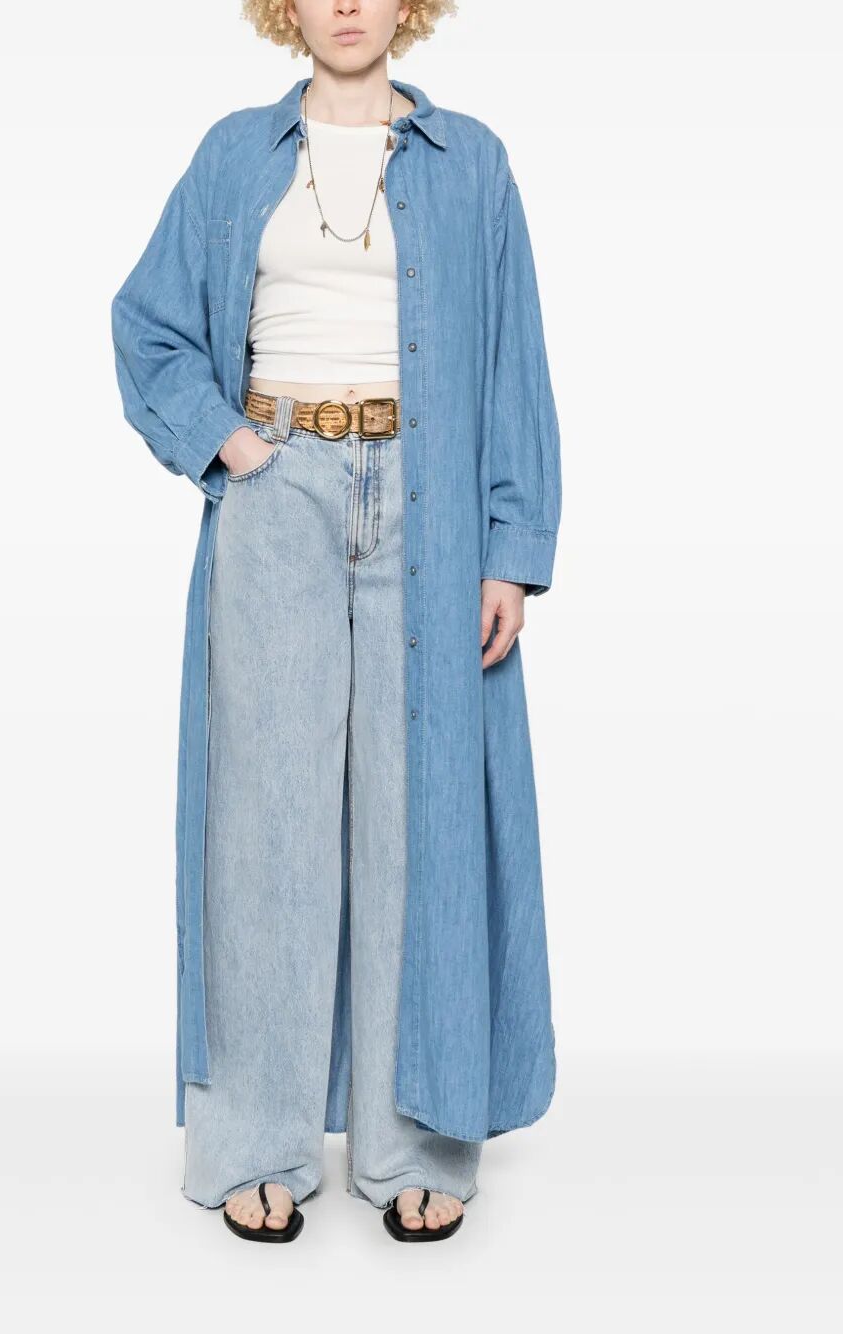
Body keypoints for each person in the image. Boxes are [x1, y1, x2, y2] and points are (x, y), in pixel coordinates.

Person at [110, 0, 562, 1244]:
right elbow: (148, 323)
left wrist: (512, 549)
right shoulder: (231, 155)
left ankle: (412, 1142)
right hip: (280, 491)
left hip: (432, 505)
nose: (347, 4)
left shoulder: (472, 162)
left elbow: (514, 361)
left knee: (421, 818)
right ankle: (256, 1141)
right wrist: (229, 442)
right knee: (267, 824)